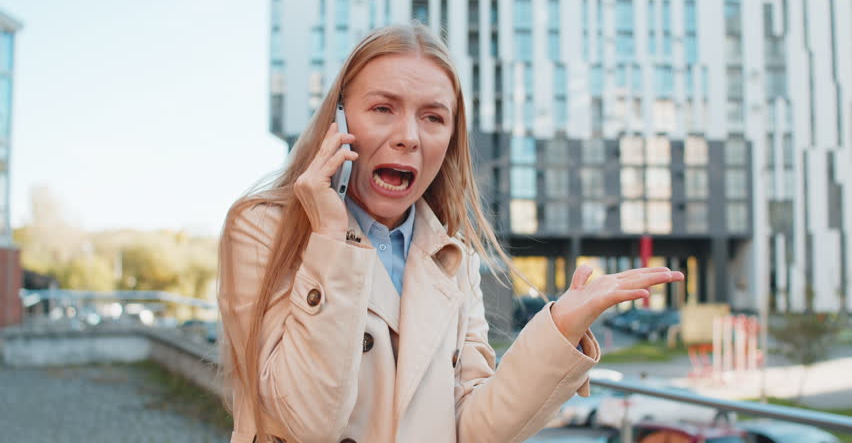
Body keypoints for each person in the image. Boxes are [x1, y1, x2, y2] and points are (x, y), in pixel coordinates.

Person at [217, 23, 683, 443]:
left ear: (451, 139)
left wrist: (559, 327)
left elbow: (473, 428)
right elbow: (305, 423)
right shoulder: (263, 230)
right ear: (338, 124)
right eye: (383, 108)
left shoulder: (453, 257)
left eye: (433, 117)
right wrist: (329, 241)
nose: (409, 137)